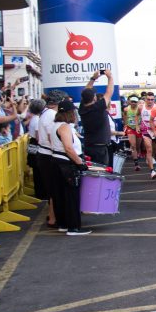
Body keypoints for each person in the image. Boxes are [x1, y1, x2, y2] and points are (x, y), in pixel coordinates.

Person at [47, 99, 90, 235]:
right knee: (71, 196)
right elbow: (68, 148)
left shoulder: (55, 125)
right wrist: (80, 163)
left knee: (60, 196)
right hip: (66, 164)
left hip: (56, 162)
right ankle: (73, 227)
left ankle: (64, 224)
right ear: (69, 113)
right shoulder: (64, 127)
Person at [78, 69, 115, 166]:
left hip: (89, 146)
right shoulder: (97, 107)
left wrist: (93, 78)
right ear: (94, 98)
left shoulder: (82, 109)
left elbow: (86, 92)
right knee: (101, 174)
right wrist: (110, 77)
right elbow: (109, 93)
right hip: (100, 149)